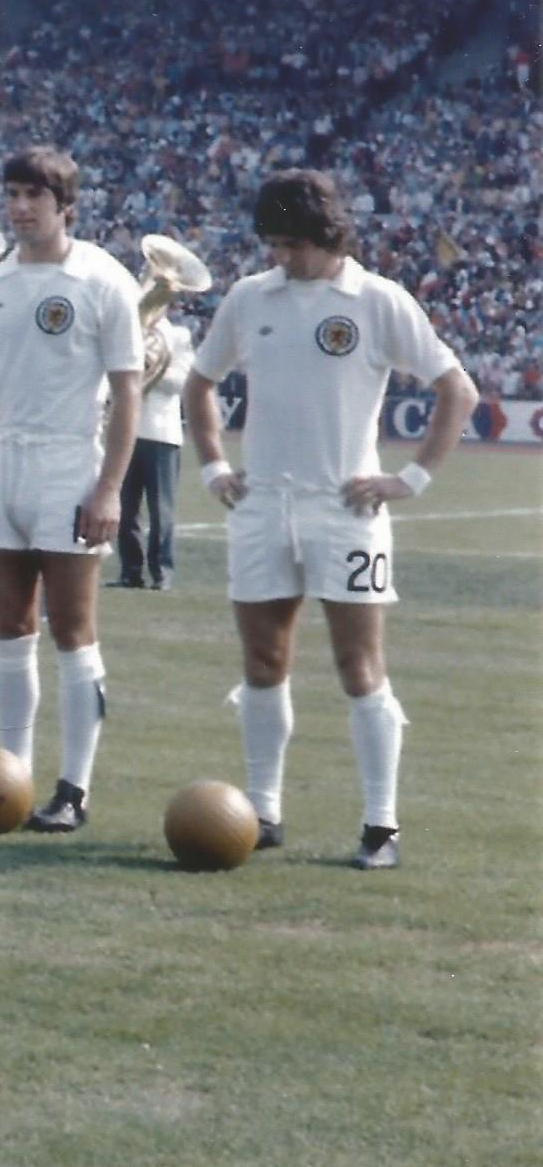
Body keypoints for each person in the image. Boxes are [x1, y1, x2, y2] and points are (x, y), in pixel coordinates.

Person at [182, 168, 475, 871]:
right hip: (261, 509)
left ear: (326, 232)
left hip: (345, 512)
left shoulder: (378, 300)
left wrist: (409, 478)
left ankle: (381, 824)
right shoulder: (251, 297)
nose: (280, 255)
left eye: (291, 243)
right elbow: (200, 383)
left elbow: (455, 389)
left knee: (359, 667)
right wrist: (214, 468)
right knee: (262, 662)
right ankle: (261, 809)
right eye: (272, 243)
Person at [0, 147, 143, 834]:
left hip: (66, 465)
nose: (21, 206)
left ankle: (74, 788)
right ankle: (12, 778)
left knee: (75, 632)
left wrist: (109, 487)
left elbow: (126, 390)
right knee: (9, 632)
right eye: (14, 193)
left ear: (66, 206)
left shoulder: (104, 281)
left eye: (36, 195)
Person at [117, 306, 194, 590]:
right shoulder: (129, 331)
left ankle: (162, 572)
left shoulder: (178, 336)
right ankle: (130, 571)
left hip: (163, 433)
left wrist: (148, 367)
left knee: (161, 509)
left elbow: (179, 382)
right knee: (126, 510)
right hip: (127, 432)